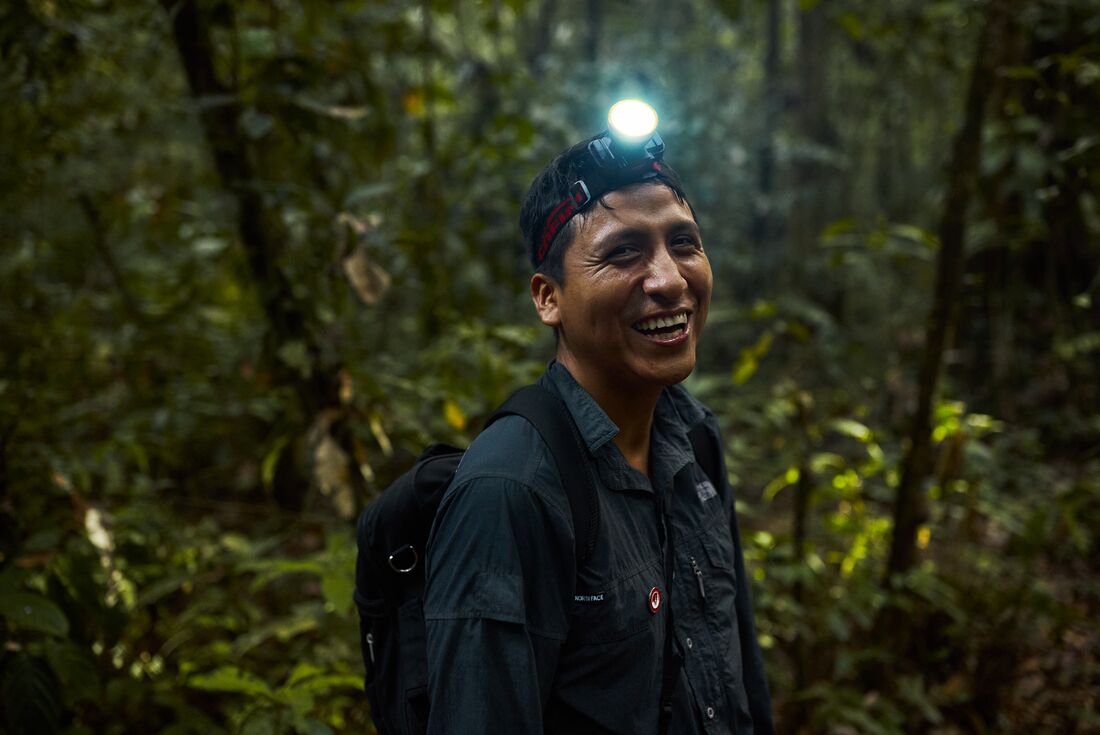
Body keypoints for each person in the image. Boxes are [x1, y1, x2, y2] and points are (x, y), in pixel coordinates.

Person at [423, 112, 774, 734]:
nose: (669, 280)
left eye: (684, 243)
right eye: (623, 253)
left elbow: (737, 674)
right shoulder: (511, 490)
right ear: (547, 298)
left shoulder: (695, 439)